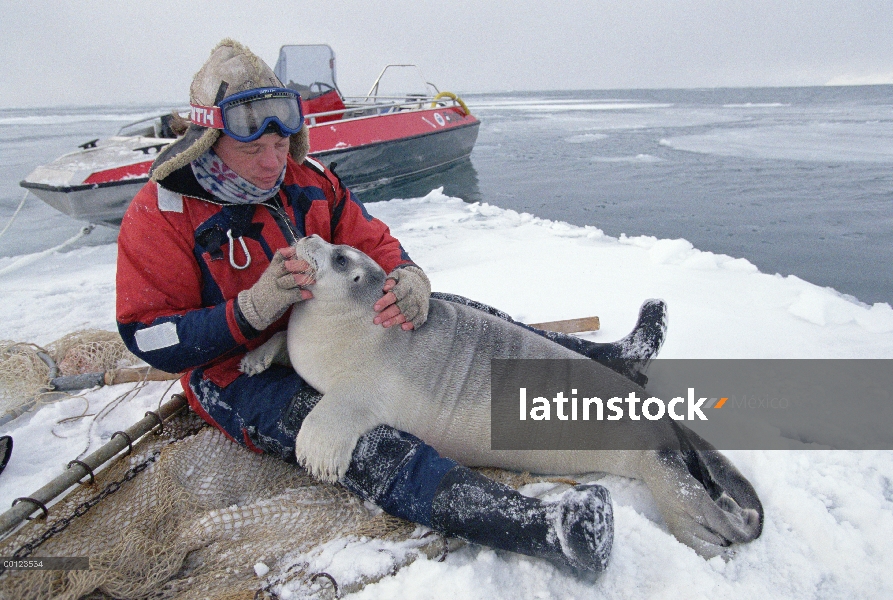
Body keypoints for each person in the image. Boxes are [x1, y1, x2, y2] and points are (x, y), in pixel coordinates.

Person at [116, 39, 666, 573]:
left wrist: (408, 277)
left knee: (462, 317)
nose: (272, 163)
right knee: (364, 444)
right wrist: (251, 311)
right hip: (239, 370)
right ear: (207, 141)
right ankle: (541, 528)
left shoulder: (308, 181)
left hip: (344, 333)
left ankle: (610, 360)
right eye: (252, 149)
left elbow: (373, 243)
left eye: (282, 145)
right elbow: (148, 336)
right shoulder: (162, 215)